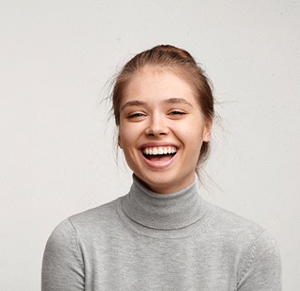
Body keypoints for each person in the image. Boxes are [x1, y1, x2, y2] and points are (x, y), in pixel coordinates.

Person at [42, 45, 281, 290]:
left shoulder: (251, 248)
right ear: (120, 135)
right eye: (136, 115)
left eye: (176, 112)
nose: (156, 127)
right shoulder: (75, 242)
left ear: (206, 126)